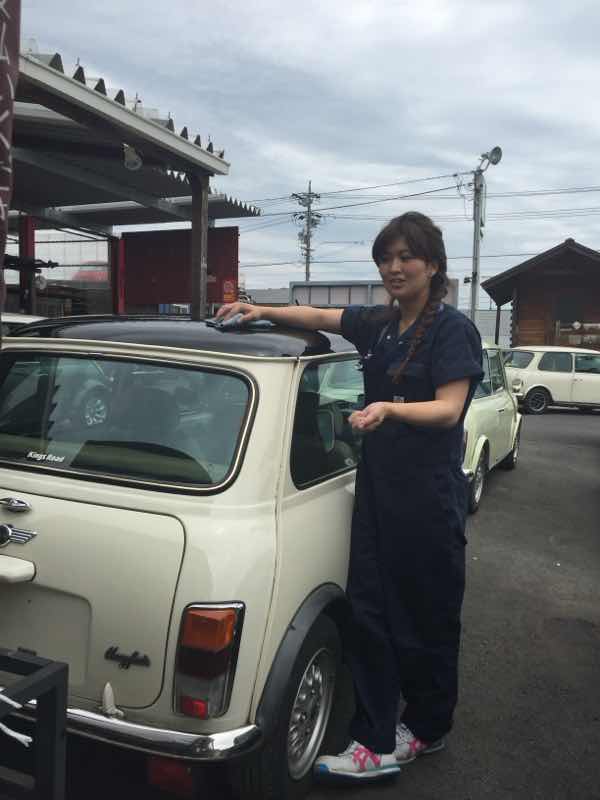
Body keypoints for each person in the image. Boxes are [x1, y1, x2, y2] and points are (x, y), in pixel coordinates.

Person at [216, 211, 483, 783]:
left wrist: (388, 408)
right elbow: (320, 316)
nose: (394, 267)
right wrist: (260, 309)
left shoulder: (452, 330)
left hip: (427, 500)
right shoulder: (381, 323)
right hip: (378, 491)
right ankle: (375, 736)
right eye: (385, 258)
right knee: (370, 612)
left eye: (406, 257)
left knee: (425, 615)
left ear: (433, 265)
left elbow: (449, 408)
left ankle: (427, 726)